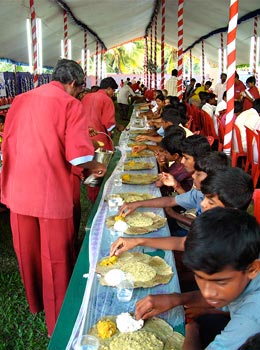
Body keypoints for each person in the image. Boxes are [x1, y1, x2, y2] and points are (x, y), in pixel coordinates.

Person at [0, 59, 107, 336]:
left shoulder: (21, 100)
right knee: (55, 257)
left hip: (18, 188)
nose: (79, 94)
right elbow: (79, 156)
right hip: (50, 191)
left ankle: (36, 302)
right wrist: (95, 164)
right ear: (73, 83)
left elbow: (8, 141)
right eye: (80, 89)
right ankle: (57, 320)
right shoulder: (69, 104)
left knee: (28, 250)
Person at [132, 208, 260, 350]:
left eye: (220, 282)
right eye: (199, 277)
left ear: (253, 269)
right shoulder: (241, 264)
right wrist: (177, 299)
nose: (207, 293)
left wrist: (192, 330)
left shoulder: (252, 318)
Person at [82, 77, 124, 151]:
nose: (113, 93)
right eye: (113, 90)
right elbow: (109, 123)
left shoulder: (86, 97)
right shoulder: (107, 100)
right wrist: (117, 126)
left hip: (84, 135)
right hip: (100, 136)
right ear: (108, 88)